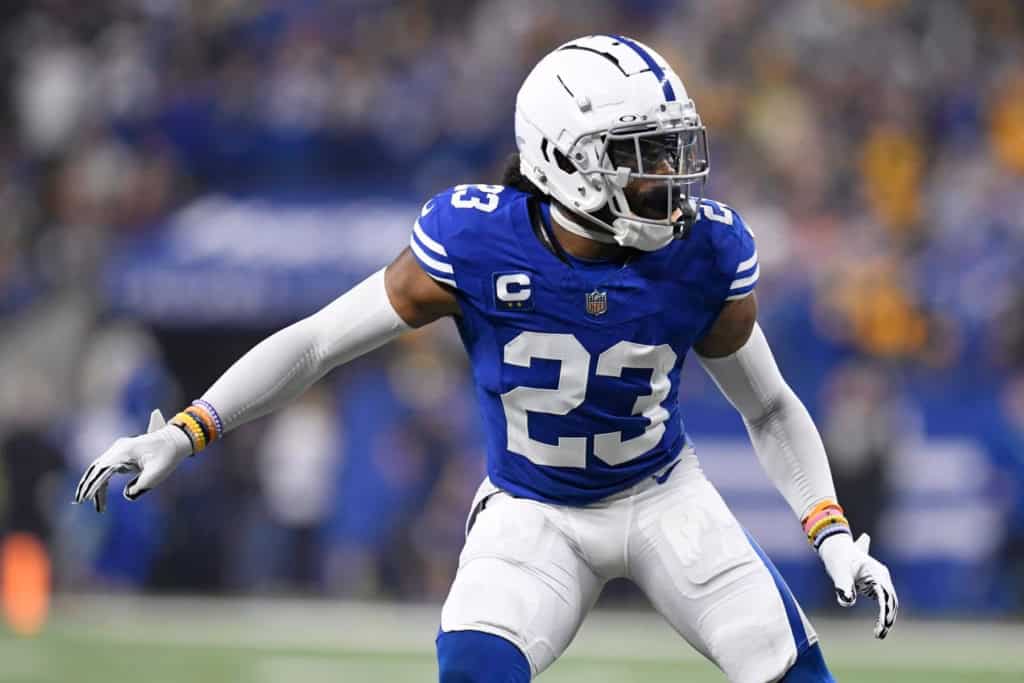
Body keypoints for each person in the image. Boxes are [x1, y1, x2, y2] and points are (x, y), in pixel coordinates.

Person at [74, 35, 897, 683]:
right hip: (532, 507)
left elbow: (769, 406)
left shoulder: (704, 250)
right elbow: (319, 339)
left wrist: (829, 535)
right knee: (472, 669)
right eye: (639, 156)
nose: (668, 180)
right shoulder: (474, 241)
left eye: (669, 151)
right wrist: (186, 431)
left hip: (661, 494)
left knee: (796, 673)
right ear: (566, 161)